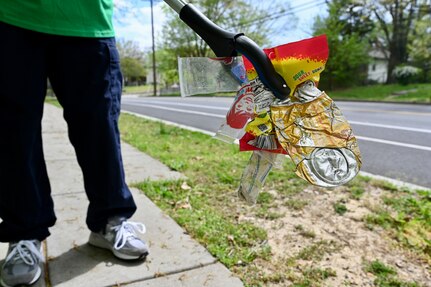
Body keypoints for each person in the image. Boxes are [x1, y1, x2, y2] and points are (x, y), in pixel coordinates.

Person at [0, 1, 149, 286]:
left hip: (88, 21)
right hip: (13, 16)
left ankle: (109, 220)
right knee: (15, 132)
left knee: (100, 128)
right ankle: (24, 231)